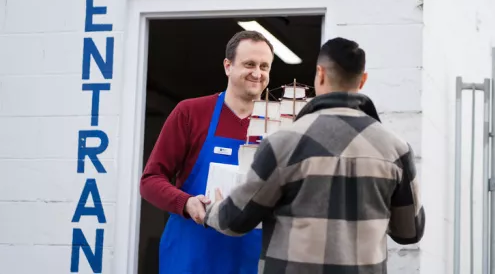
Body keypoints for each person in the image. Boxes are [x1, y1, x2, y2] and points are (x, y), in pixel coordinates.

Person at [202, 37, 426, 274]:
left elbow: (235, 220)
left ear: (319, 74)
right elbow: (410, 232)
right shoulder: (396, 149)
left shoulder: (282, 143)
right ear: (363, 80)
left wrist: (210, 209)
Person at [140, 30, 275, 274]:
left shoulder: (278, 127)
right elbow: (150, 181)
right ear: (228, 66)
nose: (257, 73)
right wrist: (186, 202)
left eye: (264, 66)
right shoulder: (191, 113)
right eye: (249, 64)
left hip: (251, 259)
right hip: (193, 254)